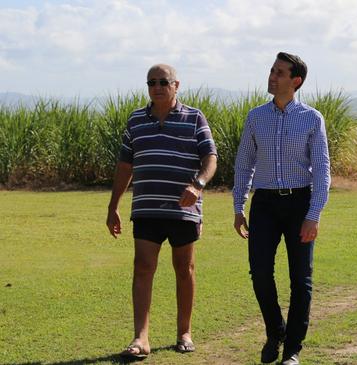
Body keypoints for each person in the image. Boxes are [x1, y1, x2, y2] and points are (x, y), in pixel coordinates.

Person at [106, 64, 217, 360]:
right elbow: (125, 166)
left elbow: (210, 157)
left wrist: (198, 184)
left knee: (185, 269)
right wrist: (113, 205)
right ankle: (141, 338)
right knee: (142, 267)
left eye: (163, 82)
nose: (157, 87)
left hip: (184, 210)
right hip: (146, 208)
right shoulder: (136, 120)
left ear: (176, 85)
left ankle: (184, 332)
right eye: (151, 82)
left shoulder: (194, 118)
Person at [233, 52, 331, 365]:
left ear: (295, 81)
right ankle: (276, 332)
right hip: (264, 205)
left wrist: (313, 215)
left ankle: (292, 350)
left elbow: (322, 168)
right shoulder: (255, 117)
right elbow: (244, 164)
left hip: (299, 202)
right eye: (272, 70)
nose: (272, 76)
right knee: (260, 273)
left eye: (280, 72)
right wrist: (239, 205)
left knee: (301, 280)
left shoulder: (312, 118)